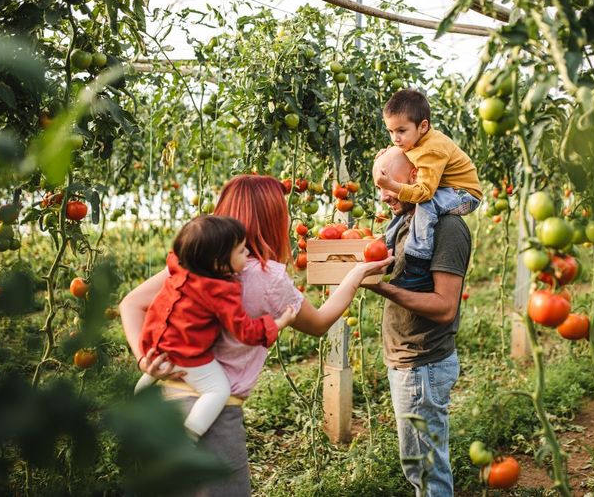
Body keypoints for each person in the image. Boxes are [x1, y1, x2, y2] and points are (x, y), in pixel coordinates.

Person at [119, 175, 392, 496]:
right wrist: (355, 275)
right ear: (273, 218)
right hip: (212, 419)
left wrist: (145, 359)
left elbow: (131, 304)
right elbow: (319, 323)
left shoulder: (195, 262)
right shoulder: (268, 277)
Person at [364, 147, 471, 497]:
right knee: (419, 467)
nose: (384, 195)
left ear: (415, 177)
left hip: (423, 365)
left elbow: (444, 307)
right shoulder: (408, 221)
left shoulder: (446, 227)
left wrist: (382, 288)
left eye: (388, 183)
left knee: (426, 471)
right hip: (409, 362)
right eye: (379, 186)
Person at [134, 215, 297, 439]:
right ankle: (190, 436)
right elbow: (246, 331)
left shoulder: (178, 266)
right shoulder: (220, 291)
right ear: (219, 264)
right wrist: (279, 323)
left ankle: (136, 400)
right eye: (241, 251)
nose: (247, 253)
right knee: (217, 391)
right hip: (185, 353)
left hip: (156, 342)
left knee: (156, 370)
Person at [375, 88, 482, 292]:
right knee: (404, 210)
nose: (395, 138)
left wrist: (391, 185)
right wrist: (388, 154)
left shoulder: (432, 149)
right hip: (447, 189)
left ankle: (417, 266)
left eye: (401, 131)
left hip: (465, 194)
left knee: (425, 204)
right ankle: (388, 250)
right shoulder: (415, 140)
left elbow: (424, 192)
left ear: (423, 126)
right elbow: (403, 153)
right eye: (390, 131)